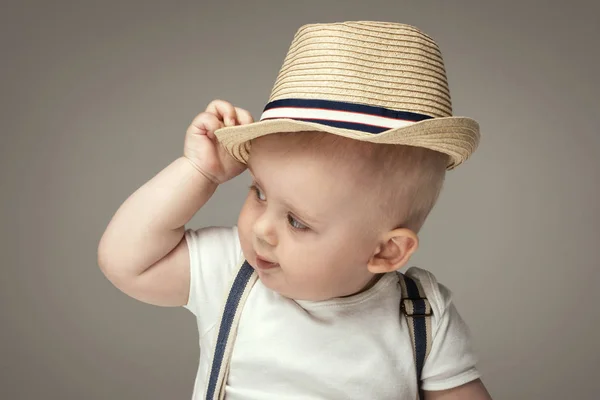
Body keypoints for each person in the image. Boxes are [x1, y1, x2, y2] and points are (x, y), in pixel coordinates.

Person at [98, 21, 493, 399]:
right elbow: (125, 261)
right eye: (259, 193)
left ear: (385, 251)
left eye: (296, 221)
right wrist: (200, 172)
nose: (261, 230)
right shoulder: (233, 271)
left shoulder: (421, 314)